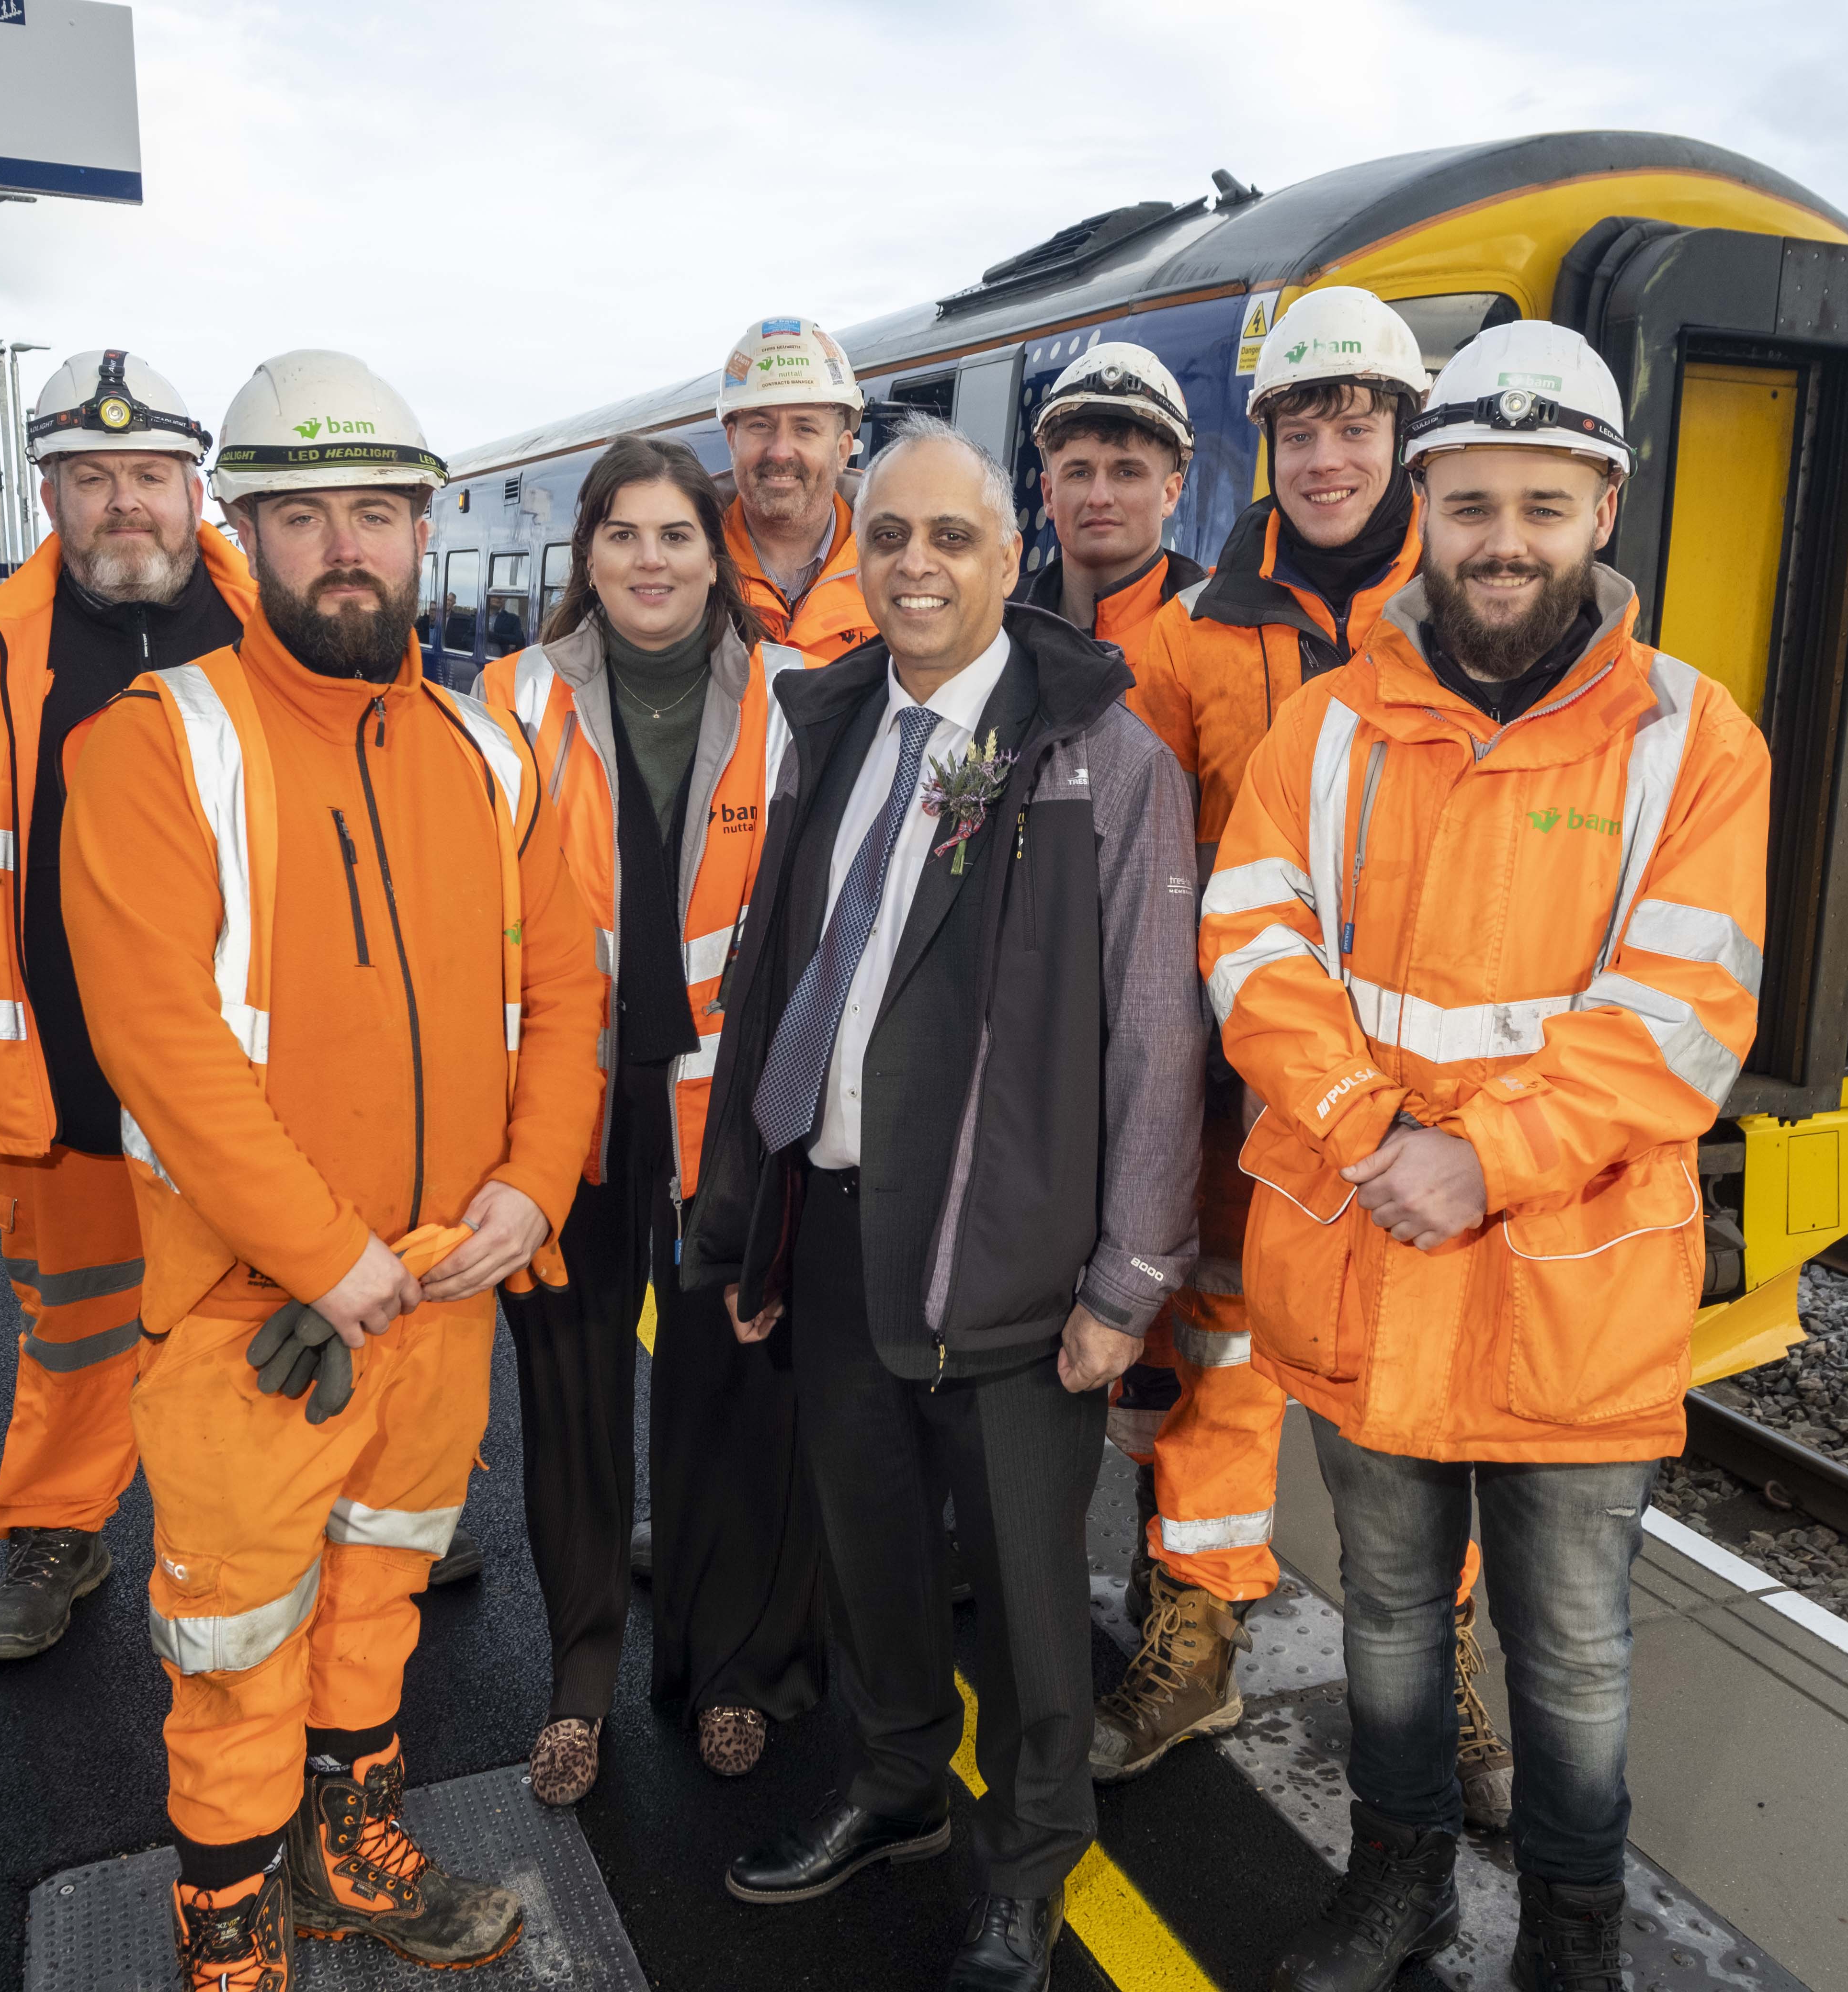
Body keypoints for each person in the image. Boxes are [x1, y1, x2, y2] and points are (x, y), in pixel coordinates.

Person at [1203, 320, 1770, 1992]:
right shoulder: (1328, 728)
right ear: (1423, 511)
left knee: (1575, 1649)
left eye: (1542, 501)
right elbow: (1251, 943)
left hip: (1559, 1281)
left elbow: (1685, 1010)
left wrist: (1485, 1156)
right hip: (1378, 1249)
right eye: (1470, 504)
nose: (1502, 538)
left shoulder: (1691, 739)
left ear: (1604, 507)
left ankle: (1572, 1946)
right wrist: (1384, 1133)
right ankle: (1405, 1891)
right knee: (1389, 1620)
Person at [62, 350, 604, 1986]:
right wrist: (327, 1257)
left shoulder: (488, 754)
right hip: (262, 1315)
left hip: (436, 1289)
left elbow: (571, 989)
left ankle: (341, 1845)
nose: (346, 547)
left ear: (427, 531)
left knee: (376, 1599)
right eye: (304, 517)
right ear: (245, 533)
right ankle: (228, 1921)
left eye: (377, 511)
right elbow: (163, 1046)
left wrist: (537, 1186)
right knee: (235, 1637)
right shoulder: (160, 745)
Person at [686, 418, 1200, 1992]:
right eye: (891, 538)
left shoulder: (1104, 757)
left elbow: (1158, 1031)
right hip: (838, 1227)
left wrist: (1128, 1278)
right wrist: (750, 1218)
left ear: (1011, 557)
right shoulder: (830, 728)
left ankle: (1035, 1859)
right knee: (874, 1547)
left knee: (1037, 1599)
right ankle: (899, 1783)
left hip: (1016, 1250)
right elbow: (788, 978)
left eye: (953, 540)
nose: (916, 566)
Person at [1095, 290, 1505, 1823]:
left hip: (1421, 1098)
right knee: (1217, 1364)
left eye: (1356, 423)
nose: (1328, 454)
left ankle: (1440, 1683)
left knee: (1423, 1396)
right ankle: (1194, 1639)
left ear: (1404, 436)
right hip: (1236, 1083)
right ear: (1263, 445)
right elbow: (1140, 869)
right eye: (1299, 426)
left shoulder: (1478, 608)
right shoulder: (1188, 636)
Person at [0, 350, 263, 1663]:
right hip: (52, 1086)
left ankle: (327, 1510)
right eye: (90, 478)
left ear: (196, 491)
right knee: (74, 1327)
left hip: (241, 1075)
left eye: (146, 476)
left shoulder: (277, 632)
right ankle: (59, 1533)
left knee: (263, 1309)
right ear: (47, 493)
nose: (121, 503)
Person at [488, 435, 825, 1804]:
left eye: (676, 535)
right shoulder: (507, 703)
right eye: (622, 535)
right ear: (587, 557)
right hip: (561, 1112)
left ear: (716, 550)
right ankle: (579, 1677)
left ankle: (724, 1671)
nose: (649, 560)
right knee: (570, 1401)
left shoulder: (800, 701)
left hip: (727, 1120)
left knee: (726, 1395)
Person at [1009, 341, 1203, 648]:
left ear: (1169, 494)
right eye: (1079, 473)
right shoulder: (995, 631)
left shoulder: (1218, 634)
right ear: (1049, 494)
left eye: (1127, 473)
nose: (1099, 498)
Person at [716, 316, 880, 662]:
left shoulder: (895, 567)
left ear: (842, 450)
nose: (780, 451)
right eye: (761, 425)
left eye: (805, 428)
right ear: (733, 441)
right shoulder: (684, 569)